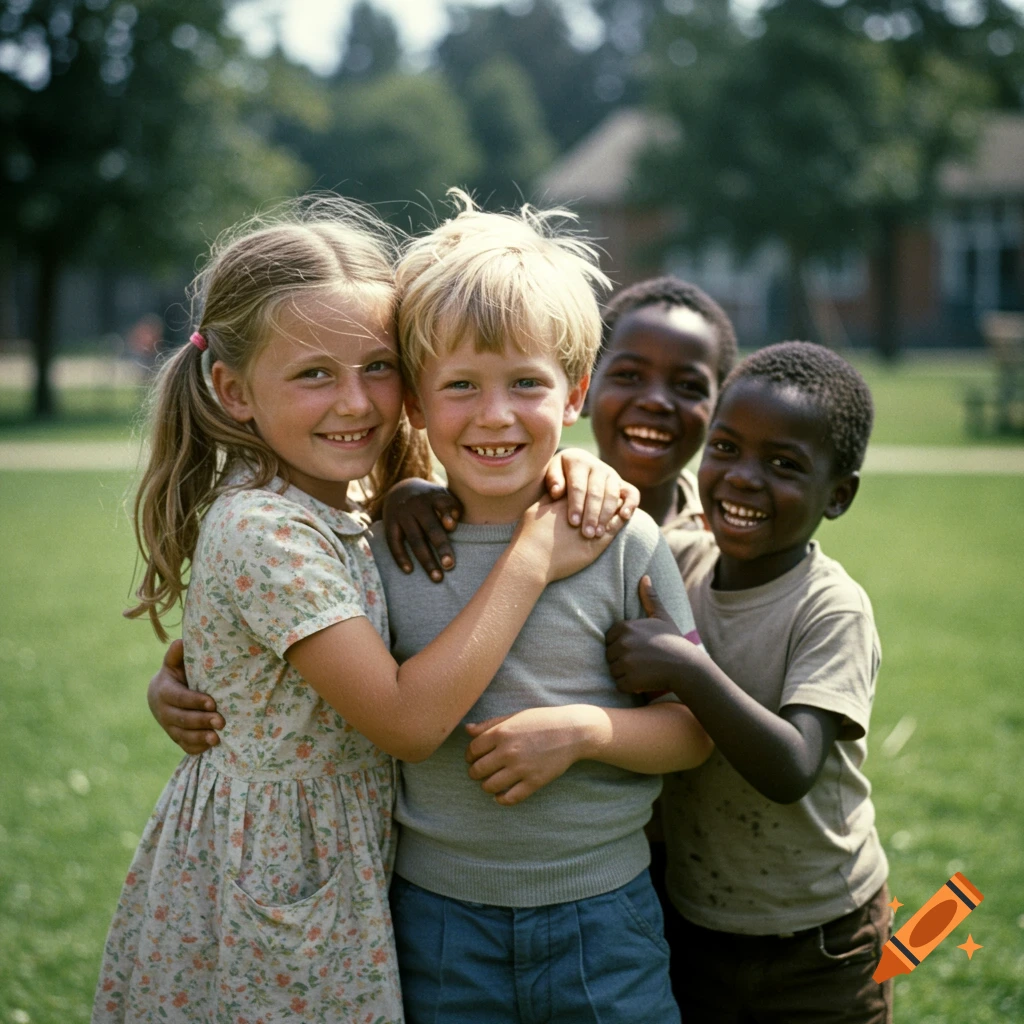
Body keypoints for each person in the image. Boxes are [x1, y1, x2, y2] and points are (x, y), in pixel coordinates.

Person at [148, 192, 712, 1024]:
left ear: (574, 392)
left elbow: (696, 725)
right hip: (433, 917)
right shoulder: (383, 546)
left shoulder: (615, 536)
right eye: (461, 386)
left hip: (603, 915)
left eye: (526, 383)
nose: (494, 413)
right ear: (421, 399)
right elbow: (328, 687)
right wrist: (177, 680)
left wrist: (589, 731)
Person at [606, 341, 891, 1023]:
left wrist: (686, 667)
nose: (742, 477)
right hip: (696, 923)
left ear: (839, 495)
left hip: (821, 939)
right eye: (726, 449)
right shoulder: (677, 561)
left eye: (785, 465)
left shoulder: (830, 607)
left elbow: (793, 765)